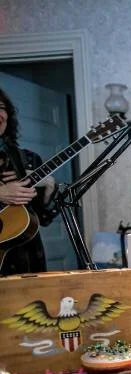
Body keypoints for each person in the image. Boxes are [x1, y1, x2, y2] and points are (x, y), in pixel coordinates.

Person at [0, 87, 57, 275]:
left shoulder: (29, 160)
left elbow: (44, 218)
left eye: (2, 108)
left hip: (28, 258)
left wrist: (48, 192)